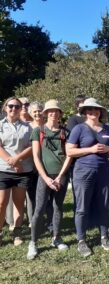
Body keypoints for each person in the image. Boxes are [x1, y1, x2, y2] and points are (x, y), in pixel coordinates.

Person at [66, 98, 109, 257]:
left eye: (96, 110)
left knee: (104, 204)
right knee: (82, 207)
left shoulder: (107, 128)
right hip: (84, 171)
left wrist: (108, 149)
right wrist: (91, 149)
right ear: (85, 112)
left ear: (100, 111)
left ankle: (104, 236)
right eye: (90, 110)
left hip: (104, 171)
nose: (93, 112)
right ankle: (81, 240)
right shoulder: (79, 129)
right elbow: (70, 152)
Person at [27, 100, 72, 259]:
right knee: (39, 209)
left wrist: (60, 176)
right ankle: (33, 242)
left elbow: (69, 155)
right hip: (44, 176)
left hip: (61, 176)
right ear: (46, 113)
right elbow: (36, 157)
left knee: (57, 206)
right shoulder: (38, 131)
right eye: (50, 111)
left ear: (60, 113)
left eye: (56, 111)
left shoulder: (65, 132)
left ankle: (56, 237)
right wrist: (45, 178)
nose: (53, 113)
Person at [0, 97, 33, 246]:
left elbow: (32, 146)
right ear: (5, 108)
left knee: (19, 203)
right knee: (1, 204)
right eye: (11, 106)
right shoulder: (0, 125)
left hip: (22, 170)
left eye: (17, 107)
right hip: (4, 169)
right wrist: (11, 161)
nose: (14, 109)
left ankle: (17, 232)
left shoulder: (27, 127)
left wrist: (18, 159)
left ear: (21, 109)